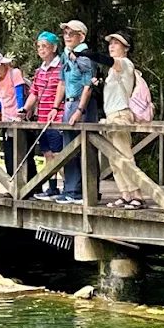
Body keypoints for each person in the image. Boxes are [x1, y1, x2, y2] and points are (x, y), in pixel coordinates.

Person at [55, 20, 99, 204]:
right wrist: (55, 107)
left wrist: (80, 110)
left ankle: (86, 190)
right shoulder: (66, 55)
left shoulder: (86, 57)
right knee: (69, 147)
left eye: (71, 33)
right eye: (65, 33)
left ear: (81, 36)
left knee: (85, 147)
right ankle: (71, 188)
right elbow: (62, 82)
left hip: (83, 105)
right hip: (68, 104)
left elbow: (88, 86)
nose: (67, 37)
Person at [100, 32, 145, 209]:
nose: (111, 46)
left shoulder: (125, 63)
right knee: (114, 159)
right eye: (110, 43)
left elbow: (110, 61)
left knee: (125, 156)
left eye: (116, 43)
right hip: (111, 115)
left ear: (126, 48)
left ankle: (137, 195)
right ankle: (125, 194)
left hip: (120, 115)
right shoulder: (112, 71)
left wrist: (87, 54)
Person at [18, 31, 65, 198]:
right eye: (39, 46)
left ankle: (70, 188)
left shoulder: (61, 67)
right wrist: (25, 109)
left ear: (54, 48)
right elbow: (34, 93)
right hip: (42, 116)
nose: (41, 49)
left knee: (59, 154)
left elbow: (62, 88)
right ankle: (52, 187)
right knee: (47, 154)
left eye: (45, 46)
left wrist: (56, 108)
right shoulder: (39, 71)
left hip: (57, 117)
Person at [0, 50, 28, 179]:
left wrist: (20, 113)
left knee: (22, 154)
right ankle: (11, 182)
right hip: (6, 119)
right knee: (9, 154)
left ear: (3, 64)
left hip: (19, 119)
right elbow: (2, 97)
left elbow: (19, 95)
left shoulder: (15, 73)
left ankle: (28, 185)